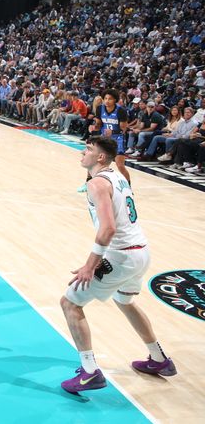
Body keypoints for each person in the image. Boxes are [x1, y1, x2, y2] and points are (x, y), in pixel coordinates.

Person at [60, 136, 176, 394]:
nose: (82, 152)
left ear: (100, 157)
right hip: (141, 252)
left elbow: (108, 229)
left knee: (70, 303)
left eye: (88, 149)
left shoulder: (98, 184)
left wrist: (91, 265)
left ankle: (90, 372)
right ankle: (159, 359)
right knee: (124, 300)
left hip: (120, 256)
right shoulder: (118, 174)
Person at [89, 88, 130, 185]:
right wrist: (94, 127)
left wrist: (113, 131)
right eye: (105, 98)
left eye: (110, 99)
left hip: (118, 139)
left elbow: (123, 129)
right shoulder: (100, 108)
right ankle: (88, 183)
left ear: (115, 100)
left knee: (120, 165)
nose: (107, 101)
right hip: (105, 139)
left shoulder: (121, 111)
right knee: (94, 161)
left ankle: (129, 187)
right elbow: (99, 124)